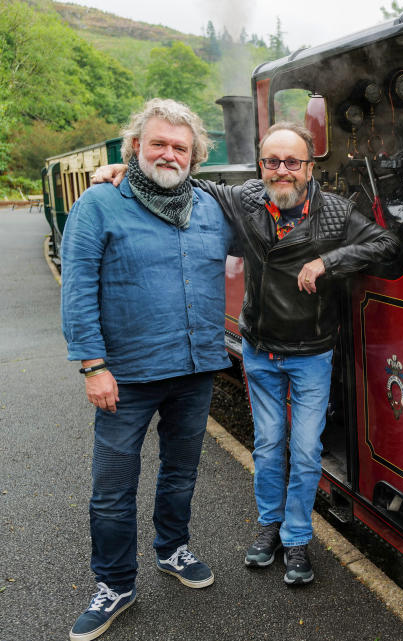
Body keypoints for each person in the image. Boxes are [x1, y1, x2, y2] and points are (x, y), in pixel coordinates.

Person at [96, 122, 400, 586]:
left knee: (304, 450)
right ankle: (269, 527)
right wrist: (128, 169)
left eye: (292, 162)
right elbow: (185, 179)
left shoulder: (336, 213)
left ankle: (297, 539)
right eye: (272, 162)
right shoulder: (246, 199)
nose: (282, 171)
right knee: (267, 444)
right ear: (261, 167)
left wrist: (328, 262)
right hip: (259, 350)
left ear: (309, 167)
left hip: (311, 353)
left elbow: (385, 242)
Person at [61, 99, 233, 641]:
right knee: (112, 487)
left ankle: (173, 549)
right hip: (126, 375)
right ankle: (114, 583)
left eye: (180, 147)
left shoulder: (211, 207)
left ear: (195, 156)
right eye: (158, 143)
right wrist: (92, 365)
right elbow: (78, 287)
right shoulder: (99, 204)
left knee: (180, 472)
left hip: (195, 366)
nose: (168, 153)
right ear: (136, 145)